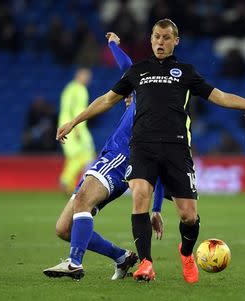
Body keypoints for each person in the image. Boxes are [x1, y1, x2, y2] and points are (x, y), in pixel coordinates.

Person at [56, 19, 245, 283]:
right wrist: (74, 121)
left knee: (188, 216)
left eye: (166, 37)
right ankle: (145, 263)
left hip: (176, 148)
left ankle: (186, 252)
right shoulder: (139, 72)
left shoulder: (185, 72)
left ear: (175, 41)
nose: (160, 42)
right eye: (156, 37)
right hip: (142, 147)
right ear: (151, 39)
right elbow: (106, 99)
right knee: (139, 199)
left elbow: (222, 97)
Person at [43, 32, 165, 281]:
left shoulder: (148, 98)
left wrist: (157, 207)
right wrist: (112, 45)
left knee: (83, 199)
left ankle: (74, 263)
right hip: (109, 156)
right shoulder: (134, 95)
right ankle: (122, 257)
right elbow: (125, 67)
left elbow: (128, 67)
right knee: (64, 228)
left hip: (121, 158)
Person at [58, 68, 96, 194]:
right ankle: (68, 180)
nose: (88, 80)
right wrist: (78, 129)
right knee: (86, 155)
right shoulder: (81, 90)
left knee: (74, 156)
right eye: (86, 76)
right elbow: (78, 111)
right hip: (75, 127)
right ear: (79, 76)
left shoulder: (69, 88)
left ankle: (68, 184)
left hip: (64, 124)